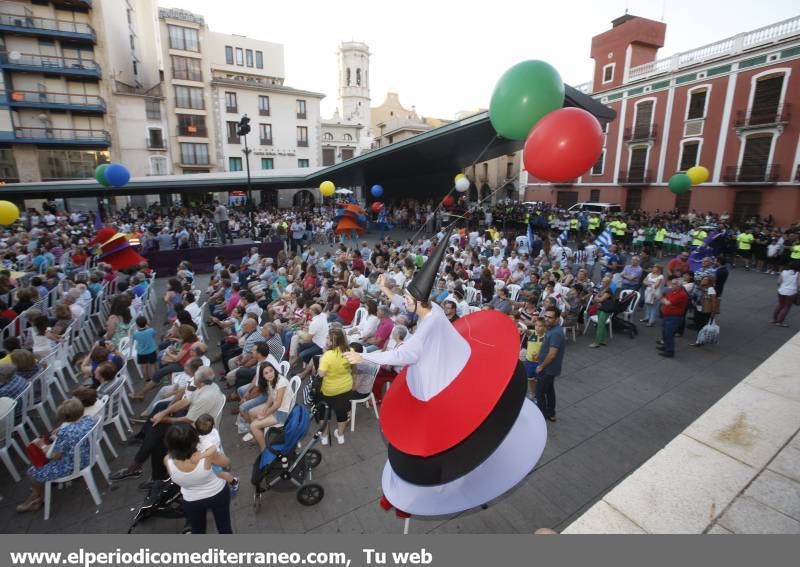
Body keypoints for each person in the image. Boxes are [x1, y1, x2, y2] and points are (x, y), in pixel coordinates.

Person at [16, 399, 95, 513]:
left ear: (64, 418)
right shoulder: (88, 420)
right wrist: (58, 435)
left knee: (31, 472)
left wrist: (41, 445)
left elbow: (54, 456)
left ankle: (37, 499)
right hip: (88, 453)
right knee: (40, 467)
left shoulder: (65, 433)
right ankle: (37, 494)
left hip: (74, 464)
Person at [163, 423, 232, 534]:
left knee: (198, 531)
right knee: (224, 528)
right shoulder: (207, 455)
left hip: (191, 501)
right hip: (217, 494)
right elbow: (226, 462)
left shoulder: (167, 460)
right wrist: (214, 448)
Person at [317, 327, 353, 445]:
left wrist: (323, 356)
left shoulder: (328, 355)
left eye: (328, 338)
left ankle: (324, 436)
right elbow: (352, 367)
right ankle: (340, 434)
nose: (326, 340)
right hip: (346, 387)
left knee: (323, 413)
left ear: (332, 341)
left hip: (329, 389)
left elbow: (321, 374)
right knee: (342, 412)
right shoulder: (350, 350)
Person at [193, 414, 239, 496]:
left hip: (214, 461)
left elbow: (213, 453)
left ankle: (234, 482)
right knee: (222, 470)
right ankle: (227, 471)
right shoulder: (214, 431)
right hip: (220, 452)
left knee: (220, 474)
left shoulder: (206, 442)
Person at [535, 306, 565, 422]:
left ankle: (540, 416)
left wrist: (541, 366)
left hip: (548, 369)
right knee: (549, 391)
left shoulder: (556, 333)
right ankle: (551, 413)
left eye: (550, 317)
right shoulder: (551, 329)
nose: (546, 319)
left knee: (540, 392)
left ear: (557, 319)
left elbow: (552, 354)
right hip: (549, 368)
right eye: (546, 316)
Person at [657, 278, 690, 358]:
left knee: (669, 334)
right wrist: (663, 299)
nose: (672, 285)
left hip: (674, 317)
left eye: (674, 284)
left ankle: (669, 351)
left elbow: (668, 302)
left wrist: (661, 298)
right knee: (665, 332)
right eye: (672, 283)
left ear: (679, 285)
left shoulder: (681, 294)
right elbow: (666, 299)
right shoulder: (673, 291)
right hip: (668, 315)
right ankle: (665, 346)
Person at [771, 261, 799, 327]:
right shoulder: (798, 274)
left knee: (780, 305)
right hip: (791, 292)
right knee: (786, 307)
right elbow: (798, 284)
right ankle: (780, 322)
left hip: (781, 291)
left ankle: (774, 319)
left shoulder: (783, 272)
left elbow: (778, 282)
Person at [132, 316, 157, 383]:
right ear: (146, 323)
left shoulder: (136, 334)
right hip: (151, 351)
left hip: (141, 352)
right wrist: (148, 327)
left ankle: (147, 379)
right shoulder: (151, 330)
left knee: (143, 366)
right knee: (152, 366)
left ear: (137, 325)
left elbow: (133, 339)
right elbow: (154, 334)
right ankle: (154, 380)